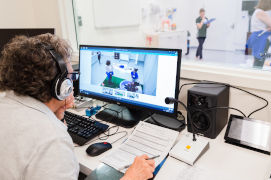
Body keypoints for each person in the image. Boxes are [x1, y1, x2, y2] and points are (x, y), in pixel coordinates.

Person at [0, 34, 155, 180]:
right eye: (71, 77)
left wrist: (59, 111)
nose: (73, 82)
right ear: (59, 86)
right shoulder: (53, 140)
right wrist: (131, 177)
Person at [247, 0, 271, 69]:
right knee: (259, 61)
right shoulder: (260, 12)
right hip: (261, 39)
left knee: (258, 60)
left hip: (258, 38)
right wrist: (270, 28)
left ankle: (255, 75)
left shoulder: (257, 12)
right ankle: (256, 76)